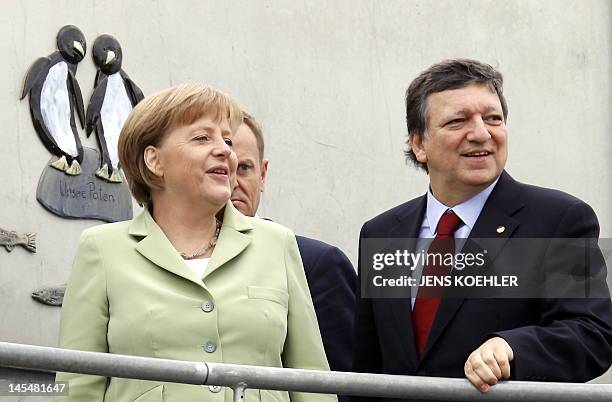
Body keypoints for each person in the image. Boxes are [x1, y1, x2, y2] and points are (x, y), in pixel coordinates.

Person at [352, 59, 612, 402]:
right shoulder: (382, 233)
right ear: (419, 144)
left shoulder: (558, 220)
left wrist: (512, 348)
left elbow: (591, 335)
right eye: (458, 121)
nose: (481, 133)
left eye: (493, 118)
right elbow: (367, 367)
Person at [55, 84, 336, 402]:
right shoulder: (102, 250)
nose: (225, 151)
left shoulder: (277, 244)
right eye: (202, 138)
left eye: (226, 140)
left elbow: (313, 384)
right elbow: (77, 387)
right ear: (154, 161)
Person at [230, 112, 356, 376]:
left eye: (243, 168)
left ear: (262, 175)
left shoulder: (316, 264)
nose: (231, 182)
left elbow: (342, 385)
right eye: (221, 169)